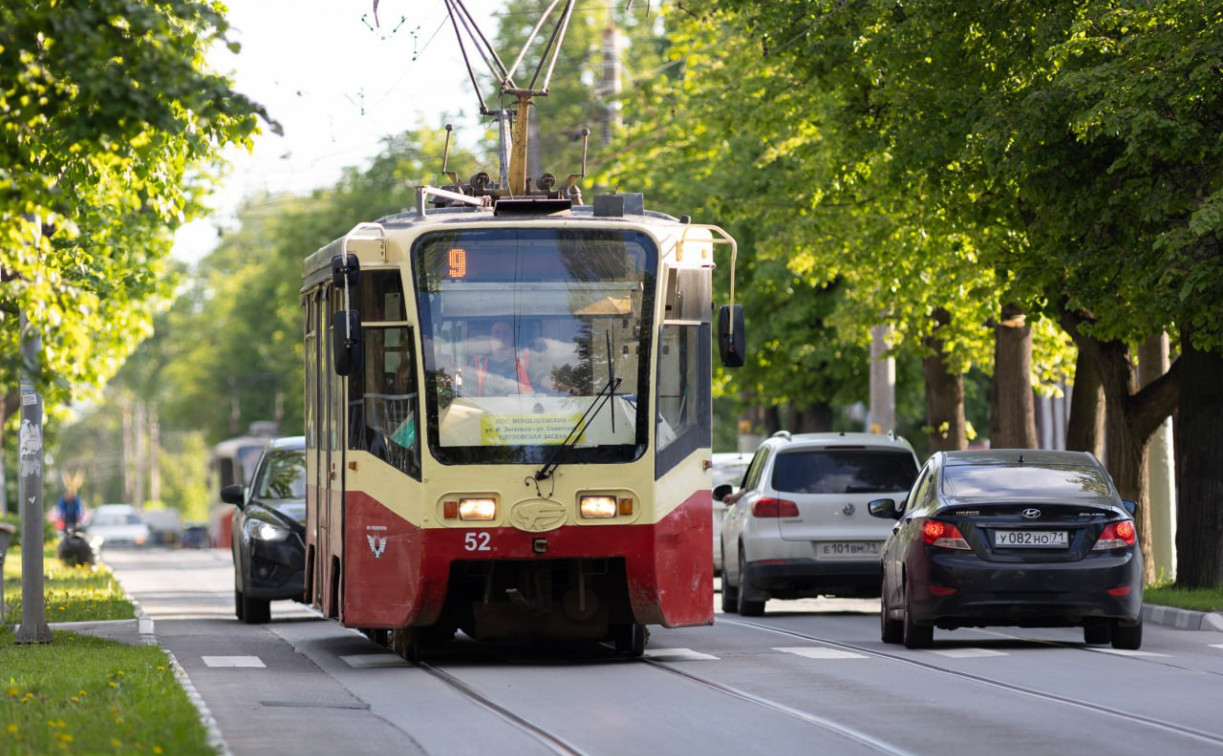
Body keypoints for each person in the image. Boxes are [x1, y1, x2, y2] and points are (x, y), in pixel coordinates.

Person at [473, 320, 534, 395]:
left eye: (505, 333)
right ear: (490, 337)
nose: (501, 337)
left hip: (519, 406)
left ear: (512, 337)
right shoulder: (478, 362)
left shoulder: (525, 359)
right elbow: (468, 394)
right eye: (497, 333)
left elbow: (544, 377)